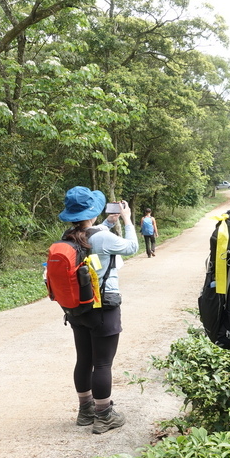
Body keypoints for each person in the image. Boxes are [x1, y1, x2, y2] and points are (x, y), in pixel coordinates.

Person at [58, 186, 139, 434]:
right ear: (92, 211)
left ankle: (86, 412)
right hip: (103, 306)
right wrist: (126, 220)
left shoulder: (68, 236)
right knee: (103, 363)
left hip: (77, 309)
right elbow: (132, 247)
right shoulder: (103, 238)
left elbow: (92, 235)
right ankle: (104, 415)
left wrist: (108, 221)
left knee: (84, 359)